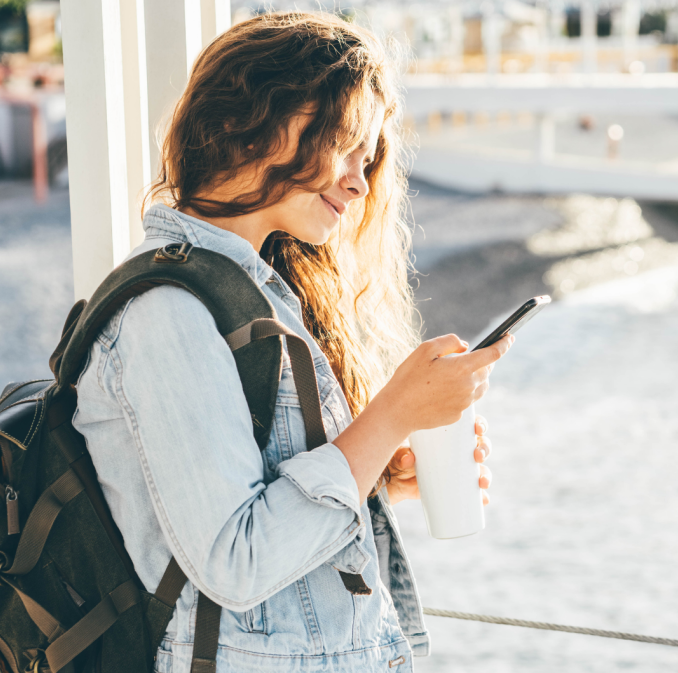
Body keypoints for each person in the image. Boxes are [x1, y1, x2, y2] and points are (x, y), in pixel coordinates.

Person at [71, 11, 510, 673]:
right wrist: (391, 414)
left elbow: (262, 509)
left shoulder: (257, 290)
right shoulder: (168, 312)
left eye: (370, 162)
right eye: (347, 144)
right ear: (254, 116)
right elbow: (235, 560)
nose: (361, 182)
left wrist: (380, 471)